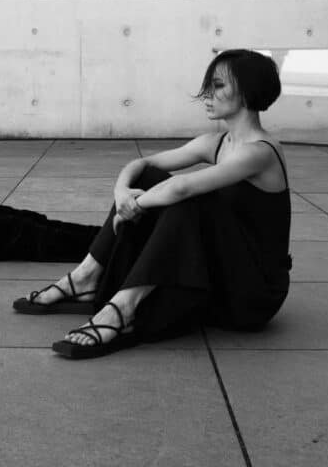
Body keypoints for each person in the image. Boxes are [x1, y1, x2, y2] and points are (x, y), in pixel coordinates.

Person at [14, 49, 292, 360]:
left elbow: (183, 186)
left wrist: (136, 205)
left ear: (247, 91)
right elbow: (141, 164)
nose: (207, 95)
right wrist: (123, 194)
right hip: (223, 274)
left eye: (218, 86)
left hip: (252, 294)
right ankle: (86, 277)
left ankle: (123, 308)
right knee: (148, 177)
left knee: (191, 200)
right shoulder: (215, 143)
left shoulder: (260, 152)